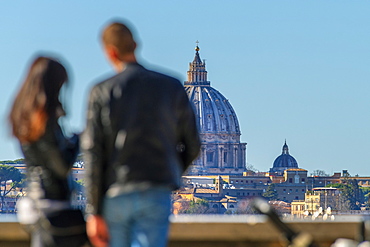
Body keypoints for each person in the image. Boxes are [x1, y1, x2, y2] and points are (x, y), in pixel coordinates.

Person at [82, 21, 200, 247]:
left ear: (110, 51)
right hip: (155, 190)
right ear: (135, 45)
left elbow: (93, 153)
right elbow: (193, 144)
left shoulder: (100, 90)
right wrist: (169, 174)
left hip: (115, 193)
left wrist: (94, 211)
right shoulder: (172, 86)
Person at [9, 56, 85, 247]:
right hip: (53, 206)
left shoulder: (25, 117)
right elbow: (61, 166)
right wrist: (78, 141)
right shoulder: (46, 123)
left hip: (37, 205)